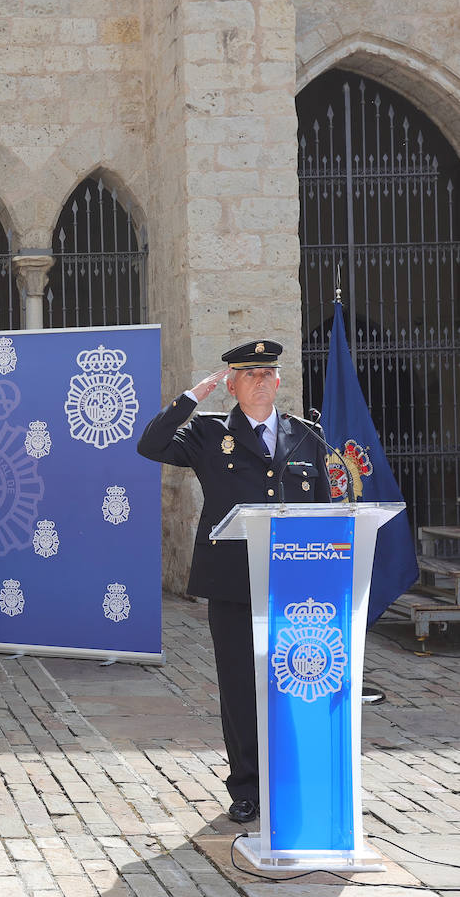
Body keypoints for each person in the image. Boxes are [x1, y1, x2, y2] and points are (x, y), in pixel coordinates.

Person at [137, 339, 331, 825]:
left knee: (294, 683)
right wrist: (190, 398)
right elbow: (150, 445)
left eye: (268, 373)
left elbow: (325, 511)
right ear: (231, 383)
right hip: (233, 582)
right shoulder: (208, 434)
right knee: (241, 687)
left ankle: (292, 780)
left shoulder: (307, 436)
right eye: (250, 374)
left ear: (280, 381)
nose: (261, 381)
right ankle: (246, 787)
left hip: (294, 586)